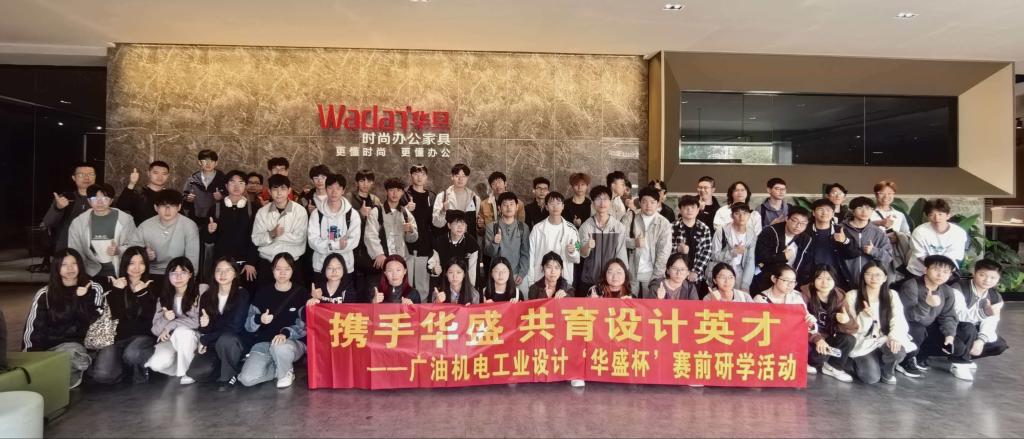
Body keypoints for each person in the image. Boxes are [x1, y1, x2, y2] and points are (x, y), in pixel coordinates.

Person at [22, 248, 104, 389]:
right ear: (57, 268)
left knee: (75, 354)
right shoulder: (45, 293)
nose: (70, 268)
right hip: (51, 350)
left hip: (80, 349)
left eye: (74, 264)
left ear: (80, 265)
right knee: (71, 359)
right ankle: (57, 378)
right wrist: (29, 357)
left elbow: (96, 323)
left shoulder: (94, 288)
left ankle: (50, 380)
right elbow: (33, 328)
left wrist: (83, 298)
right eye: (64, 265)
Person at [239, 253, 309, 388]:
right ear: (272, 270)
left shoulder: (301, 293)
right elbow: (248, 324)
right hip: (264, 343)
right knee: (246, 379)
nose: (282, 273)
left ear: (292, 270)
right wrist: (259, 319)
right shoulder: (263, 292)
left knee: (279, 347)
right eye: (278, 269)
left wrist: (285, 333)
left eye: (287, 269)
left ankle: (286, 373)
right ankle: (278, 368)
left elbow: (304, 327)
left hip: (291, 344)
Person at [90, 247, 158, 384]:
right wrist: (117, 291)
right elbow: (117, 316)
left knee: (132, 354)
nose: (137, 268)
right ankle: (122, 368)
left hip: (143, 337)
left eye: (141, 263)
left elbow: (151, 319)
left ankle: (139, 371)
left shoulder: (154, 284)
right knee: (102, 375)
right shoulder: (116, 284)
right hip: (118, 339)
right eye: (132, 263)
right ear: (125, 264)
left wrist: (142, 294)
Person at [897, 255, 970, 379]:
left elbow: (948, 316)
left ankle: (919, 356)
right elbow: (908, 316)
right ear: (926, 270)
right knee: (918, 329)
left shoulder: (947, 291)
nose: (940, 275)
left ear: (950, 275)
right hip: (908, 327)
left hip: (929, 327)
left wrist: (949, 335)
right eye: (936, 269)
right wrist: (926, 304)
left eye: (945, 272)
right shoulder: (911, 286)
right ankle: (905, 360)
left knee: (957, 347)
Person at [185, 257, 251, 388]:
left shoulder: (241, 294)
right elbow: (205, 329)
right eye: (219, 270)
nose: (222, 274)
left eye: (228, 270)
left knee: (226, 340)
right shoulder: (207, 296)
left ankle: (228, 376)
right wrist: (205, 326)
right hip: (214, 342)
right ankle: (228, 364)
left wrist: (205, 339)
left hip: (234, 341)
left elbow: (235, 327)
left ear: (235, 274)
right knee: (196, 373)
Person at [846, 261, 914, 384]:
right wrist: (866, 316)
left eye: (878, 275)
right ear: (863, 277)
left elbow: (898, 318)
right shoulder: (852, 295)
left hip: (884, 338)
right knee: (871, 378)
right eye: (869, 274)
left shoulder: (891, 295)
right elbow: (851, 326)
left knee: (897, 350)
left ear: (885, 278)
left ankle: (888, 371)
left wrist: (894, 337)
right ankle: (857, 362)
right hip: (863, 341)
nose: (873, 278)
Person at [67, 183, 141, 287]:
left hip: (120, 271)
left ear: (111, 201)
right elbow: (74, 250)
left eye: (105, 198)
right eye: (94, 198)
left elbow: (135, 245)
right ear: (89, 201)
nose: (100, 202)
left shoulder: (125, 219)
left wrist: (119, 250)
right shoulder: (79, 222)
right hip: (90, 272)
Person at [145, 257, 205, 384]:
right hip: (172, 340)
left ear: (190, 274)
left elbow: (197, 322)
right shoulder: (164, 298)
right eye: (173, 273)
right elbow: (155, 330)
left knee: (181, 332)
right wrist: (165, 318)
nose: (178, 277)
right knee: (156, 364)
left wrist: (171, 325)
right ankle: (182, 365)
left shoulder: (201, 290)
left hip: (195, 338)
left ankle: (188, 372)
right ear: (168, 276)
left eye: (183, 272)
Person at [801, 265, 858, 382]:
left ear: (835, 281)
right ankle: (810, 361)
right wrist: (817, 339)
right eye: (820, 278)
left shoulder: (839, 297)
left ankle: (832, 367)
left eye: (829, 279)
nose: (824, 283)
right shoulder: (804, 295)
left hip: (828, 339)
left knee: (849, 339)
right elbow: (800, 324)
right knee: (817, 359)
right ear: (813, 280)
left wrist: (846, 321)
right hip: (809, 339)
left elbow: (854, 328)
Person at [202, 170, 258, 288]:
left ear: (245, 186)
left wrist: (251, 262)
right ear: (226, 186)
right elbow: (208, 240)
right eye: (232, 182)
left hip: (245, 266)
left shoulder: (254, 209)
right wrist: (210, 231)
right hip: (221, 265)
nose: (236, 186)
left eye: (241, 183)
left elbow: (256, 238)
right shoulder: (215, 208)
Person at [951, 259, 1010, 371]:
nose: (987, 280)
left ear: (998, 279)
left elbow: (992, 321)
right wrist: (984, 313)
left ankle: (964, 355)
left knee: (999, 345)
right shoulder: (959, 288)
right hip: (954, 328)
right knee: (968, 328)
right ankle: (959, 362)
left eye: (993, 278)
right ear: (974, 273)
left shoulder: (995, 297)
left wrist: (981, 340)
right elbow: (958, 315)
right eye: (982, 275)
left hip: (973, 330)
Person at [132, 189, 200, 282]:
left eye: (172, 206)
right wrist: (144, 254)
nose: (167, 210)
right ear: (156, 208)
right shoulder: (145, 226)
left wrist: (189, 281)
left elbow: (192, 259)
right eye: (163, 206)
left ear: (179, 207)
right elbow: (132, 250)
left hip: (178, 273)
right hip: (150, 272)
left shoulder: (189, 226)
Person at [252, 174, 308, 285]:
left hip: (292, 263)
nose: (279, 193)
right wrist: (272, 234)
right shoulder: (262, 212)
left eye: (283, 188)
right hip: (267, 263)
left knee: (294, 294)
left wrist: (272, 236)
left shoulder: (300, 211)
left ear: (289, 190)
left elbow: (299, 238)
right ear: (269, 191)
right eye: (275, 189)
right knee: (265, 294)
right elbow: (256, 239)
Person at [307, 174, 360, 291]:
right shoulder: (317, 214)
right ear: (326, 189)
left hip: (345, 266)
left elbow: (354, 241)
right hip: (321, 266)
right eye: (330, 188)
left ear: (343, 190)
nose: (334, 192)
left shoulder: (352, 214)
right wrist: (335, 245)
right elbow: (312, 241)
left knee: (344, 299)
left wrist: (329, 245)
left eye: (338, 188)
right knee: (321, 299)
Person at [365, 177, 419, 288]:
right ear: (386, 191)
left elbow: (413, 239)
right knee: (381, 291)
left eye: (398, 190)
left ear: (402, 192)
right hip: (382, 261)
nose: (395, 193)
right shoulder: (377, 211)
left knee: (401, 291)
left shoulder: (405, 213)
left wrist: (410, 230)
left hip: (401, 261)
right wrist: (379, 254)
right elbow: (370, 235)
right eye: (391, 190)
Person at [623, 187, 674, 296]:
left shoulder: (664, 223)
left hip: (652, 272)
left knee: (650, 303)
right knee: (629, 302)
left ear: (658, 203)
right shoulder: (630, 217)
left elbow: (664, 252)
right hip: (631, 271)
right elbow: (619, 240)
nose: (648, 205)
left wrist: (656, 277)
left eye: (652, 202)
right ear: (639, 202)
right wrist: (634, 243)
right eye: (644, 202)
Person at [577, 185, 628, 295]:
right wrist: (588, 246)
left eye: (605, 199)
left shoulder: (619, 227)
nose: (602, 203)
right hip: (589, 279)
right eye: (598, 199)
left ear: (610, 202)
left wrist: (622, 279)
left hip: (611, 281)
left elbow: (621, 255)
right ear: (592, 203)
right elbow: (582, 253)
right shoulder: (585, 226)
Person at [752, 207, 812, 293]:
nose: (798, 226)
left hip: (791, 283)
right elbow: (760, 256)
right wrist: (782, 257)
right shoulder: (770, 232)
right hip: (767, 279)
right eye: (795, 221)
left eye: (803, 223)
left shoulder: (806, 239)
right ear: (787, 218)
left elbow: (805, 264)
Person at [906, 198, 968, 281]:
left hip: (945, 272)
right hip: (919, 272)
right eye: (932, 215)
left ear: (948, 215)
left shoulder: (958, 233)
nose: (936, 218)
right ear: (927, 216)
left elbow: (953, 255)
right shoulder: (919, 231)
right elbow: (920, 255)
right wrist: (933, 270)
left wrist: (939, 271)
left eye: (940, 214)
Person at [483, 192, 531, 297]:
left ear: (517, 207)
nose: (508, 207)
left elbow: (526, 253)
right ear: (499, 208)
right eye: (505, 204)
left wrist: (522, 273)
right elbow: (488, 253)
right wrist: (495, 242)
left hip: (517, 274)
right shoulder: (492, 227)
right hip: (498, 274)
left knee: (522, 302)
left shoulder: (523, 227)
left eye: (511, 204)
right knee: (498, 304)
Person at [527, 192, 580, 286]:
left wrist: (573, 252)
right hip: (541, 279)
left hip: (564, 280)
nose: (555, 207)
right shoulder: (537, 229)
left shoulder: (572, 230)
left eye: (558, 203)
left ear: (563, 206)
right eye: (552, 203)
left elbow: (577, 256)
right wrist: (531, 281)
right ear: (546, 207)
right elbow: (531, 256)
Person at [840, 196, 894, 288]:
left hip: (870, 281)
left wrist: (873, 251)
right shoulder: (841, 229)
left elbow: (888, 257)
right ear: (852, 211)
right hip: (844, 279)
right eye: (860, 208)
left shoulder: (878, 232)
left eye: (868, 208)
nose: (864, 212)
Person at [43, 163, 96, 254]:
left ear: (95, 177)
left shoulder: (104, 199)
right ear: (74, 178)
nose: (87, 177)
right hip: (67, 251)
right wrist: (58, 208)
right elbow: (48, 222)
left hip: (95, 251)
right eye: (81, 174)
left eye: (90, 174)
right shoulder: (64, 198)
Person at [805, 199, 856, 289]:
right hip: (810, 277)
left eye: (828, 210)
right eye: (820, 209)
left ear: (833, 214)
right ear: (813, 213)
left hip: (836, 278)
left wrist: (844, 241)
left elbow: (853, 254)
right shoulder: (806, 231)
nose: (824, 213)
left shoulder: (840, 230)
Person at [403, 164, 436, 296]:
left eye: (422, 174)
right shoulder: (404, 195)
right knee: (407, 284)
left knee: (423, 285)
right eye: (416, 174)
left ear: (426, 176)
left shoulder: (431, 196)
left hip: (425, 246)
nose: (419, 177)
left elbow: (434, 223)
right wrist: (405, 209)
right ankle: (406, 308)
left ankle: (422, 307)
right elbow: (394, 215)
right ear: (411, 176)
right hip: (406, 247)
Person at [709, 203, 757, 291]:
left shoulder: (752, 234)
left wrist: (745, 285)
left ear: (749, 215)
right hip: (721, 270)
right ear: (731, 216)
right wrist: (732, 252)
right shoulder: (721, 231)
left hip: (739, 272)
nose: (741, 216)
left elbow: (750, 261)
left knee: (740, 297)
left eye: (745, 213)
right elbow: (713, 255)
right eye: (737, 213)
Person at [871, 180, 912, 281]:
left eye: (890, 193)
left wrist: (898, 237)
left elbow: (907, 234)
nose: (886, 196)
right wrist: (878, 224)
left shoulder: (899, 215)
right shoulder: (869, 213)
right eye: (882, 193)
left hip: (894, 254)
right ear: (876, 195)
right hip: (873, 252)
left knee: (891, 279)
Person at [670, 195, 712, 290]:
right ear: (680, 210)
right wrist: (677, 249)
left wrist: (695, 271)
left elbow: (707, 252)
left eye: (693, 207)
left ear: (698, 210)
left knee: (694, 298)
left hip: (696, 276)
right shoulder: (672, 227)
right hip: (676, 275)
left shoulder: (704, 228)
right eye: (685, 207)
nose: (689, 210)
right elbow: (666, 249)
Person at [428, 211, 480, 287]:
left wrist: (470, 289)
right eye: (456, 223)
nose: (460, 227)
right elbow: (432, 264)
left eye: (463, 224)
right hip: (444, 283)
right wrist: (434, 270)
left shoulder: (472, 243)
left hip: (464, 285)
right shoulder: (439, 241)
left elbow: (473, 271)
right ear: (449, 225)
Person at [432, 163, 481, 239]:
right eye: (457, 176)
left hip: (468, 242)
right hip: (448, 242)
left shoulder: (475, 198)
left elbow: (478, 226)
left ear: (467, 178)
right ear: (452, 177)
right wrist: (443, 211)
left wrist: (480, 225)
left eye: (464, 176)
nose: (460, 179)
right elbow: (436, 224)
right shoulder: (442, 196)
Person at [115, 160, 170, 225]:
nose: (160, 177)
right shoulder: (138, 193)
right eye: (156, 173)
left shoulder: (171, 195)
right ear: (148, 173)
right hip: (140, 230)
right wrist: (132, 183)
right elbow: (121, 206)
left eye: (164, 174)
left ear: (168, 176)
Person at [182, 149, 227, 220]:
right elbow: (184, 199)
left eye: (211, 161)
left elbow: (231, 198)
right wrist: (188, 199)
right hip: (195, 218)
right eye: (205, 161)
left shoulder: (224, 180)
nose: (208, 164)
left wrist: (222, 197)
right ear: (199, 162)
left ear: (216, 163)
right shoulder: (192, 180)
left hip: (218, 218)